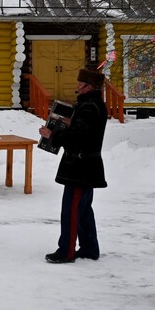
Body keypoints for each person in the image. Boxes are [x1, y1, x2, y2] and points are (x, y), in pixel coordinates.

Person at [39, 68, 108, 263]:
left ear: (90, 87)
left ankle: (66, 251)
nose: (77, 88)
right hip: (84, 165)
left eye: (81, 85)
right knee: (83, 209)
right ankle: (89, 248)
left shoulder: (89, 107)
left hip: (80, 166)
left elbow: (79, 139)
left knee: (71, 209)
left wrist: (52, 135)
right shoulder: (90, 105)